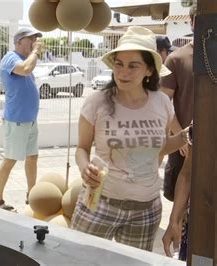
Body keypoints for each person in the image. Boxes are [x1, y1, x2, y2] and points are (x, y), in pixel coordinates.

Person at [71, 26, 189, 251]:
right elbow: (81, 148)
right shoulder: (97, 102)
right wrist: (84, 167)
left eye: (133, 65)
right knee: (81, 260)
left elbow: (160, 147)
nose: (123, 72)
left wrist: (185, 137)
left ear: (149, 71)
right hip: (99, 203)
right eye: (119, 64)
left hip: (145, 210)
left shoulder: (162, 103)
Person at [0, 28, 44, 211]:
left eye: (36, 39)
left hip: (29, 120)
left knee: (32, 157)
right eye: (31, 39)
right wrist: (36, 52)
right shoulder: (10, 58)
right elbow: (26, 69)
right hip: (17, 121)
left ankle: (32, 195)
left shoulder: (25, 59)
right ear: (19, 41)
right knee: (10, 159)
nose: (35, 42)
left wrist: (34, 53)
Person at [160, 5, 196, 202]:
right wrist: (181, 137)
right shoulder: (176, 59)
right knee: (179, 206)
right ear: (192, 23)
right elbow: (164, 103)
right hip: (183, 146)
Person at [162, 121, 193, 261]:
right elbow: (187, 173)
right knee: (201, 261)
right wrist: (174, 220)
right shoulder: (205, 115)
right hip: (202, 225)